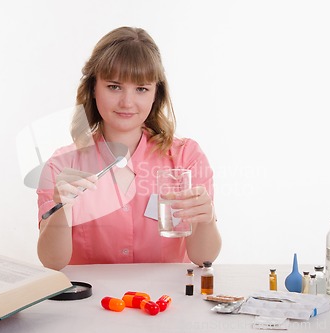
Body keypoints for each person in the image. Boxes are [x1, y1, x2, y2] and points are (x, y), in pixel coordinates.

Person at [37, 26, 221, 270]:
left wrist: (206, 219)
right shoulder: (62, 166)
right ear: (93, 88)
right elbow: (52, 262)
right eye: (114, 86)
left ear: (156, 93)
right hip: (91, 305)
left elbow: (204, 258)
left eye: (141, 89)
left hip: (164, 303)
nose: (127, 102)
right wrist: (62, 211)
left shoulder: (186, 157)